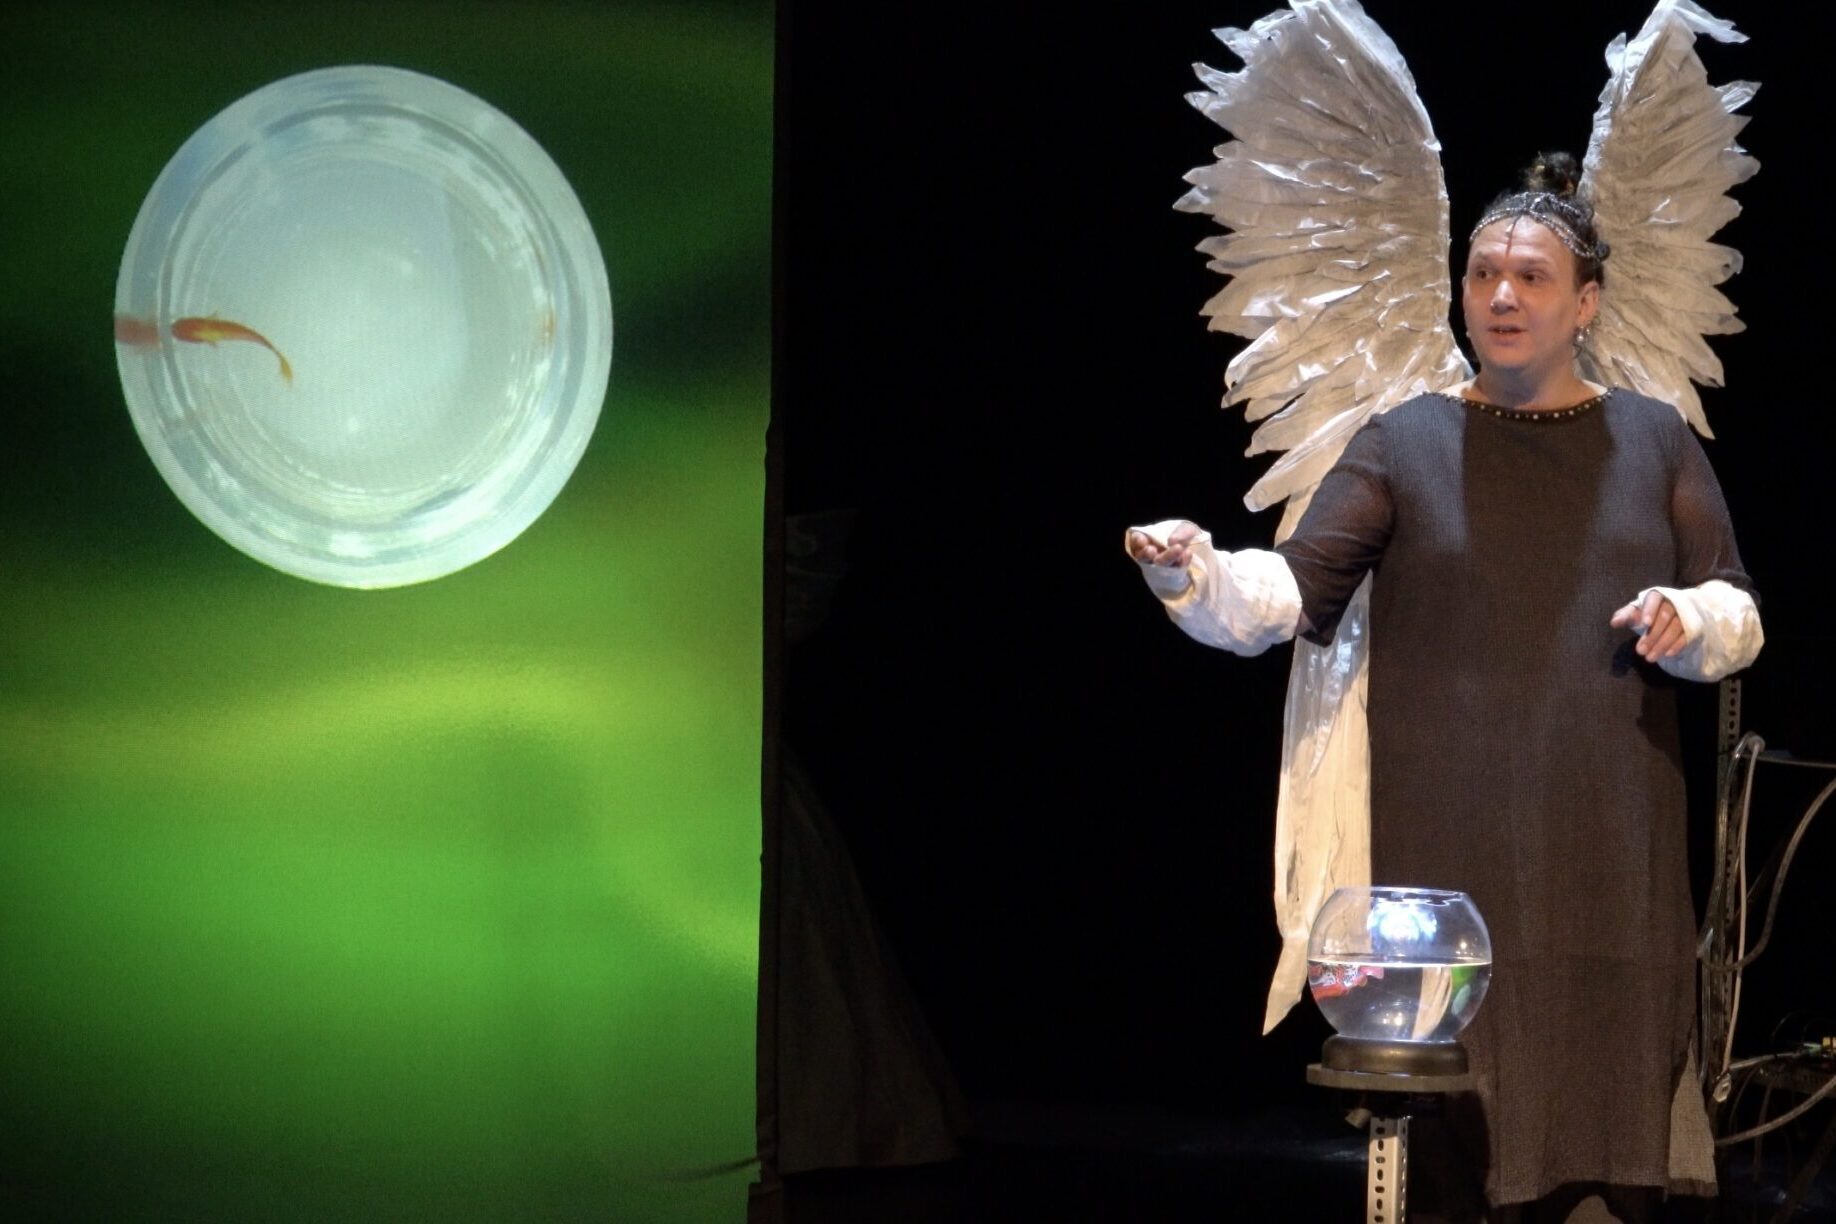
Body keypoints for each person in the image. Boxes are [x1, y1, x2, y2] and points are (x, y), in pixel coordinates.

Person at [1126, 155, 1764, 1222]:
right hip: (1449, 870)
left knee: (1607, 1134)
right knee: (1462, 1146)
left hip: (1611, 846)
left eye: (1532, 277)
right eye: (1482, 275)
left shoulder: (1653, 439)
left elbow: (1736, 606)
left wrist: (1688, 616)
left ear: (1587, 302)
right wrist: (1192, 574)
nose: (1502, 296)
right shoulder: (1404, 441)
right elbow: (1289, 592)